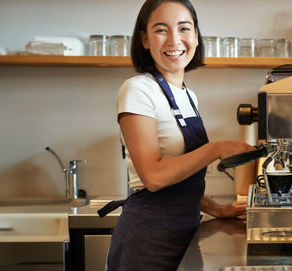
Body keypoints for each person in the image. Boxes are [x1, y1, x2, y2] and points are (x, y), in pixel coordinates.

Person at [97, 0, 255, 269]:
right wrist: (215, 149)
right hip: (147, 239)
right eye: (161, 30)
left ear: (195, 36)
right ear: (145, 40)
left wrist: (217, 209)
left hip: (185, 233)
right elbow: (155, 177)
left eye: (184, 28)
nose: (174, 40)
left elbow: (181, 180)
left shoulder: (188, 96)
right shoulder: (137, 89)